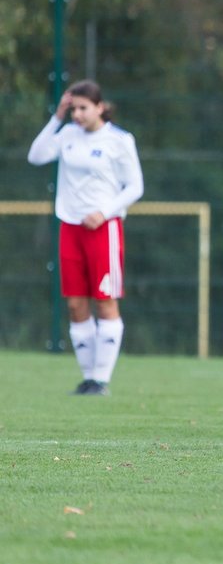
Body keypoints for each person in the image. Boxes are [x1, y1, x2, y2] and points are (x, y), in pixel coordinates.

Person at [28, 79, 144, 396]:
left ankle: (101, 380)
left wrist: (104, 211)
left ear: (100, 107)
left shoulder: (119, 140)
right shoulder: (67, 135)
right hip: (71, 227)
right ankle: (88, 377)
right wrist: (58, 116)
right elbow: (36, 156)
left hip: (102, 230)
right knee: (76, 304)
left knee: (105, 301)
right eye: (74, 108)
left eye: (83, 108)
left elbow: (135, 187)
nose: (78, 114)